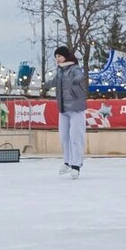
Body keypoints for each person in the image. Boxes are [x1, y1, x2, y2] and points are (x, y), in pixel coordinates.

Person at [41, 46, 88, 178]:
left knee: (75, 137)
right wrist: (45, 85)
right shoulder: (60, 70)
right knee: (64, 137)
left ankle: (76, 165)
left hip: (76, 108)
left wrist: (77, 80)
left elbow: (79, 76)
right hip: (63, 109)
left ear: (66, 56)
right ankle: (67, 162)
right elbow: (55, 81)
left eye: (59, 56)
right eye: (56, 57)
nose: (57, 59)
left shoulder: (74, 68)